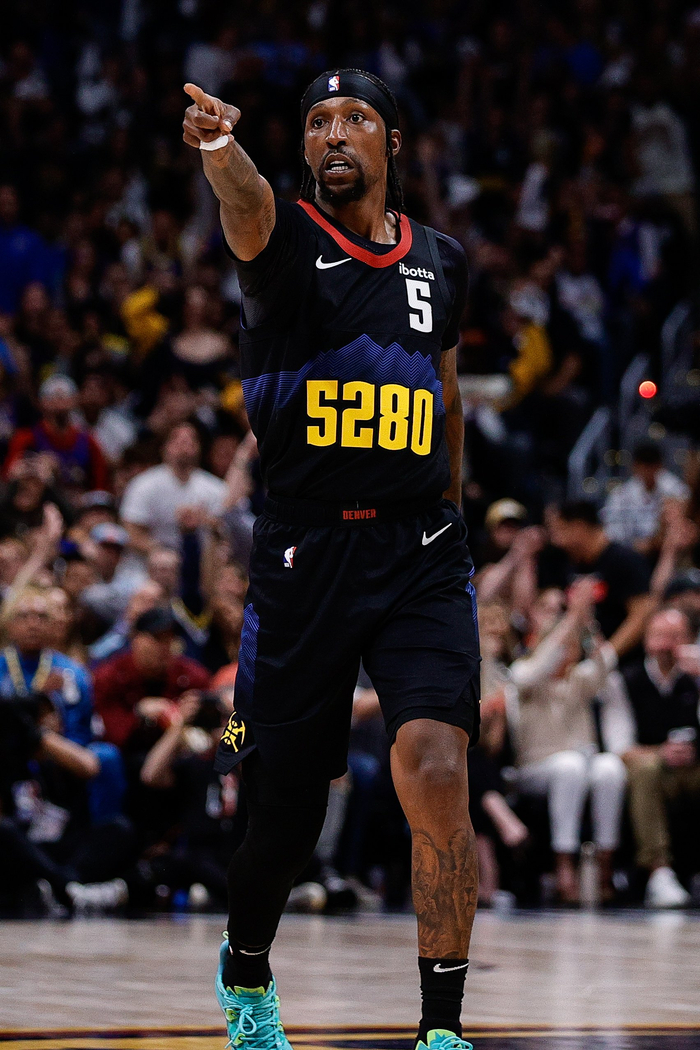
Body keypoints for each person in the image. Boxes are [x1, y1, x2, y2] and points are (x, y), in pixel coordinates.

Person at [183, 68, 480, 1050]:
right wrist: (221, 148)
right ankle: (247, 967)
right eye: (317, 121)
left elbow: (446, 393)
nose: (335, 133)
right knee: (285, 811)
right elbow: (245, 201)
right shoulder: (281, 239)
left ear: (392, 142)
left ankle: (442, 1031)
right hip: (305, 553)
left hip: (419, 550)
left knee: (435, 763)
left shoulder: (441, 259)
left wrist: (452, 513)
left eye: (356, 118)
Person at [508, 578, 628, 903]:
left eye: (572, 645)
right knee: (569, 766)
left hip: (579, 764)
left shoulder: (580, 679)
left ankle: (605, 863)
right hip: (534, 768)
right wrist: (571, 617)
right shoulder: (524, 673)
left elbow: (606, 663)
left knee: (610, 767)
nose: (566, 650)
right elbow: (540, 665)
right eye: (561, 644)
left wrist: (587, 624)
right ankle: (564, 864)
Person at [621, 609, 700, 908]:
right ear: (646, 640)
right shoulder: (627, 679)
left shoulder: (695, 676)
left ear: (691, 640)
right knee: (645, 768)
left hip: (694, 768)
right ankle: (659, 872)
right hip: (654, 769)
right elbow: (621, 747)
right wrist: (661, 752)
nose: (666, 645)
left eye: (675, 637)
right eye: (660, 636)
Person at [548, 499, 655, 663]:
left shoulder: (625, 561)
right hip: (579, 662)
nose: (556, 541)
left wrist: (607, 655)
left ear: (579, 527)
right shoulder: (568, 563)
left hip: (624, 665)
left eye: (561, 530)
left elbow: (642, 614)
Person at [119, 420, 227, 552]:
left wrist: (206, 520)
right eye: (177, 441)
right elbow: (130, 529)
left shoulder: (215, 488)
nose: (184, 447)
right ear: (164, 447)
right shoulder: (144, 484)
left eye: (190, 441)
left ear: (199, 448)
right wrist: (157, 551)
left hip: (203, 558)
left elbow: (229, 529)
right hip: (153, 558)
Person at [2, 375, 109, 496]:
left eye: (64, 396)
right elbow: (7, 476)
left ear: (75, 400)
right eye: (52, 396)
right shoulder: (25, 438)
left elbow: (100, 487)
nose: (59, 401)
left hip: (78, 500)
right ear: (41, 402)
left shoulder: (88, 441)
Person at [601, 441, 689, 555]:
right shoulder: (621, 494)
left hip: (668, 547)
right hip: (632, 552)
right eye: (643, 466)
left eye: (651, 466)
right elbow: (612, 533)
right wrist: (635, 545)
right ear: (635, 467)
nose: (647, 471)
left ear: (660, 466)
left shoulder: (675, 489)